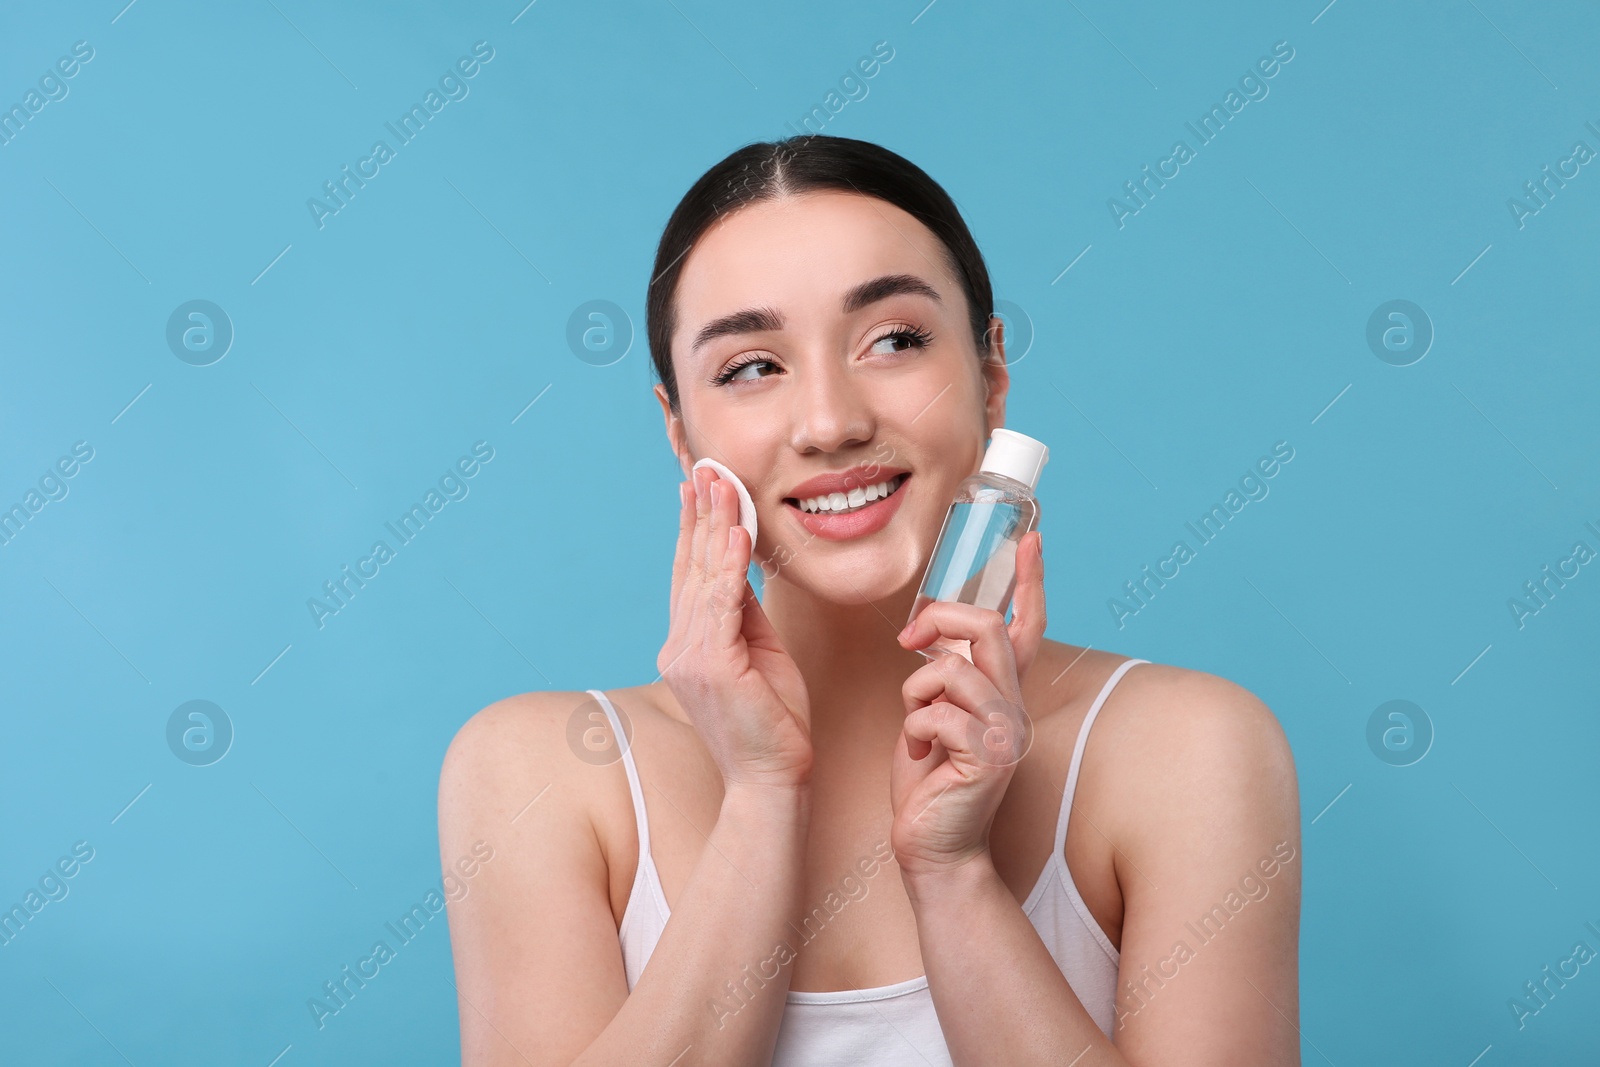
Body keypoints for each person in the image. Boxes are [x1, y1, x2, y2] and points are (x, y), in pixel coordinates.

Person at [438, 134, 1301, 1066]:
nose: (832, 422)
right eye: (751, 367)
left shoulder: (1190, 753)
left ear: (991, 372)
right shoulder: (536, 777)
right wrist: (763, 801)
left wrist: (955, 877)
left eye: (894, 340)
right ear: (679, 432)